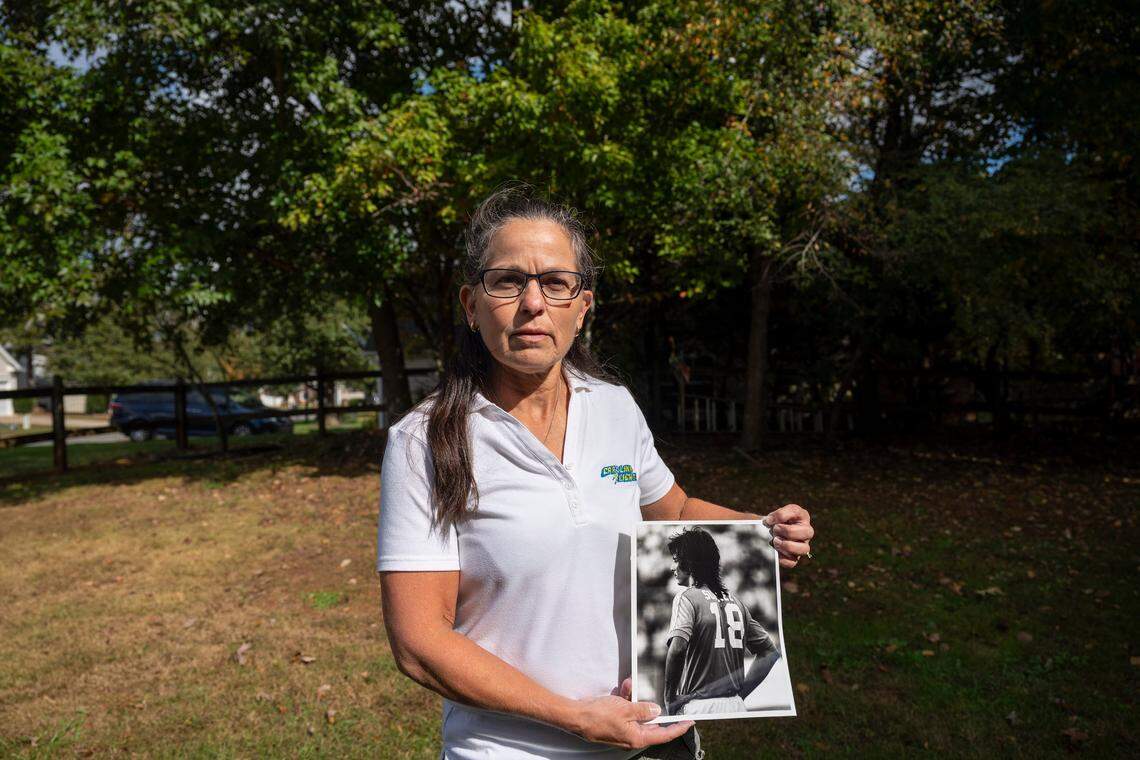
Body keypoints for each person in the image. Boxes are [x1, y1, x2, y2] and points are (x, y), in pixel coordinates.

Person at [376, 185, 815, 759]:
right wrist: (576, 718)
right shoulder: (424, 441)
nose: (533, 303)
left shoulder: (613, 406)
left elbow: (674, 511)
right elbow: (419, 643)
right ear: (470, 304)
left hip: (659, 737)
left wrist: (762, 529)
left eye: (556, 283)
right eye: (507, 281)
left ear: (583, 308)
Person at [662, 528, 782, 717]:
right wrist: (740, 695)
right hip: (735, 706)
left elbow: (677, 649)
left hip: (698, 706)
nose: (671, 567)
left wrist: (669, 698)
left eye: (676, 560)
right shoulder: (736, 601)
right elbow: (770, 653)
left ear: (690, 564)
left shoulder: (686, 597)